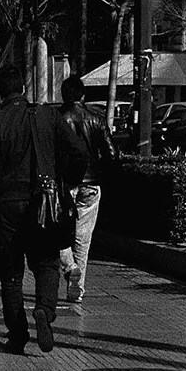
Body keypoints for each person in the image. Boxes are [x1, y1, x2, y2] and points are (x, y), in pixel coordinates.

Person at [0, 66, 88, 354]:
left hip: (5, 204)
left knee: (12, 271)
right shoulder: (48, 116)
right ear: (24, 89)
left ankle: (17, 334)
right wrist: (68, 182)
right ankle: (44, 310)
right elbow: (79, 152)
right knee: (46, 262)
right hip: (45, 200)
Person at [57, 75, 118, 303]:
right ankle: (78, 289)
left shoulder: (57, 119)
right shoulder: (97, 119)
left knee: (56, 233)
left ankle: (68, 266)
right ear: (83, 96)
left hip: (63, 184)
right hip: (91, 184)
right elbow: (113, 154)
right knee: (83, 239)